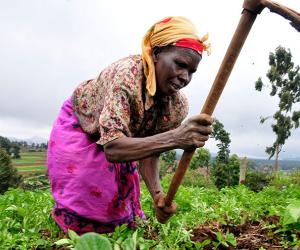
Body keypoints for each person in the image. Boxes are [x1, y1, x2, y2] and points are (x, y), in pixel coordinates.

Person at [47, 16, 213, 234]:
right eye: (180, 65)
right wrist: (176, 138)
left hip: (122, 136)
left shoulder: (177, 105)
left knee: (118, 211)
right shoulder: (127, 77)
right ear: (156, 54)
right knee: (87, 196)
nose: (185, 77)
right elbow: (113, 148)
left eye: (191, 71)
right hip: (84, 125)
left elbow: (150, 151)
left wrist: (158, 196)